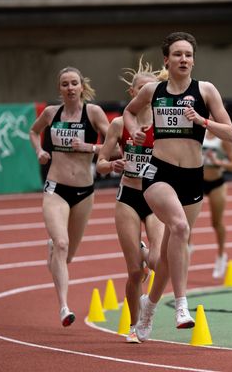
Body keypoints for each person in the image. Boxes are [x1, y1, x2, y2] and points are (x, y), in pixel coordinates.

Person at [123, 32, 232, 341]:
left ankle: (149, 307)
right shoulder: (153, 90)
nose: (184, 59)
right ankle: (182, 305)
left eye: (188, 54)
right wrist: (133, 131)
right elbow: (129, 111)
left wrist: (203, 121)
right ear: (167, 60)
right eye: (178, 54)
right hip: (158, 172)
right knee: (180, 228)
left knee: (171, 253)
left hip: (192, 177)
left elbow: (231, 134)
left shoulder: (206, 90)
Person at [29, 67, 110, 326]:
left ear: (82, 87)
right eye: (65, 84)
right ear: (60, 89)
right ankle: (64, 307)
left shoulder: (93, 113)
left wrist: (91, 148)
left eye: (74, 83)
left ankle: (54, 250)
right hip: (56, 188)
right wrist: (39, 151)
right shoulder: (51, 113)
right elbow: (32, 131)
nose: (70, 88)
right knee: (61, 245)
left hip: (84, 192)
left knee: (68, 255)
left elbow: (116, 145)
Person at [96, 58, 166, 343]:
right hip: (129, 196)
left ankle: (146, 254)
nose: (146, 94)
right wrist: (110, 165)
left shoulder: (164, 123)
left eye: (151, 89)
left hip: (156, 196)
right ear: (133, 94)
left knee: (157, 260)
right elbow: (100, 161)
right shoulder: (117, 125)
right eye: (141, 90)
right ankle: (135, 326)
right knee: (135, 271)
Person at [203, 126, 232, 278]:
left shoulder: (223, 138)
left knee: (216, 223)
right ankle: (188, 246)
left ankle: (221, 255)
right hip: (198, 180)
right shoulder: (199, 132)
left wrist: (218, 162)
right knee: (184, 216)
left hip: (217, 183)